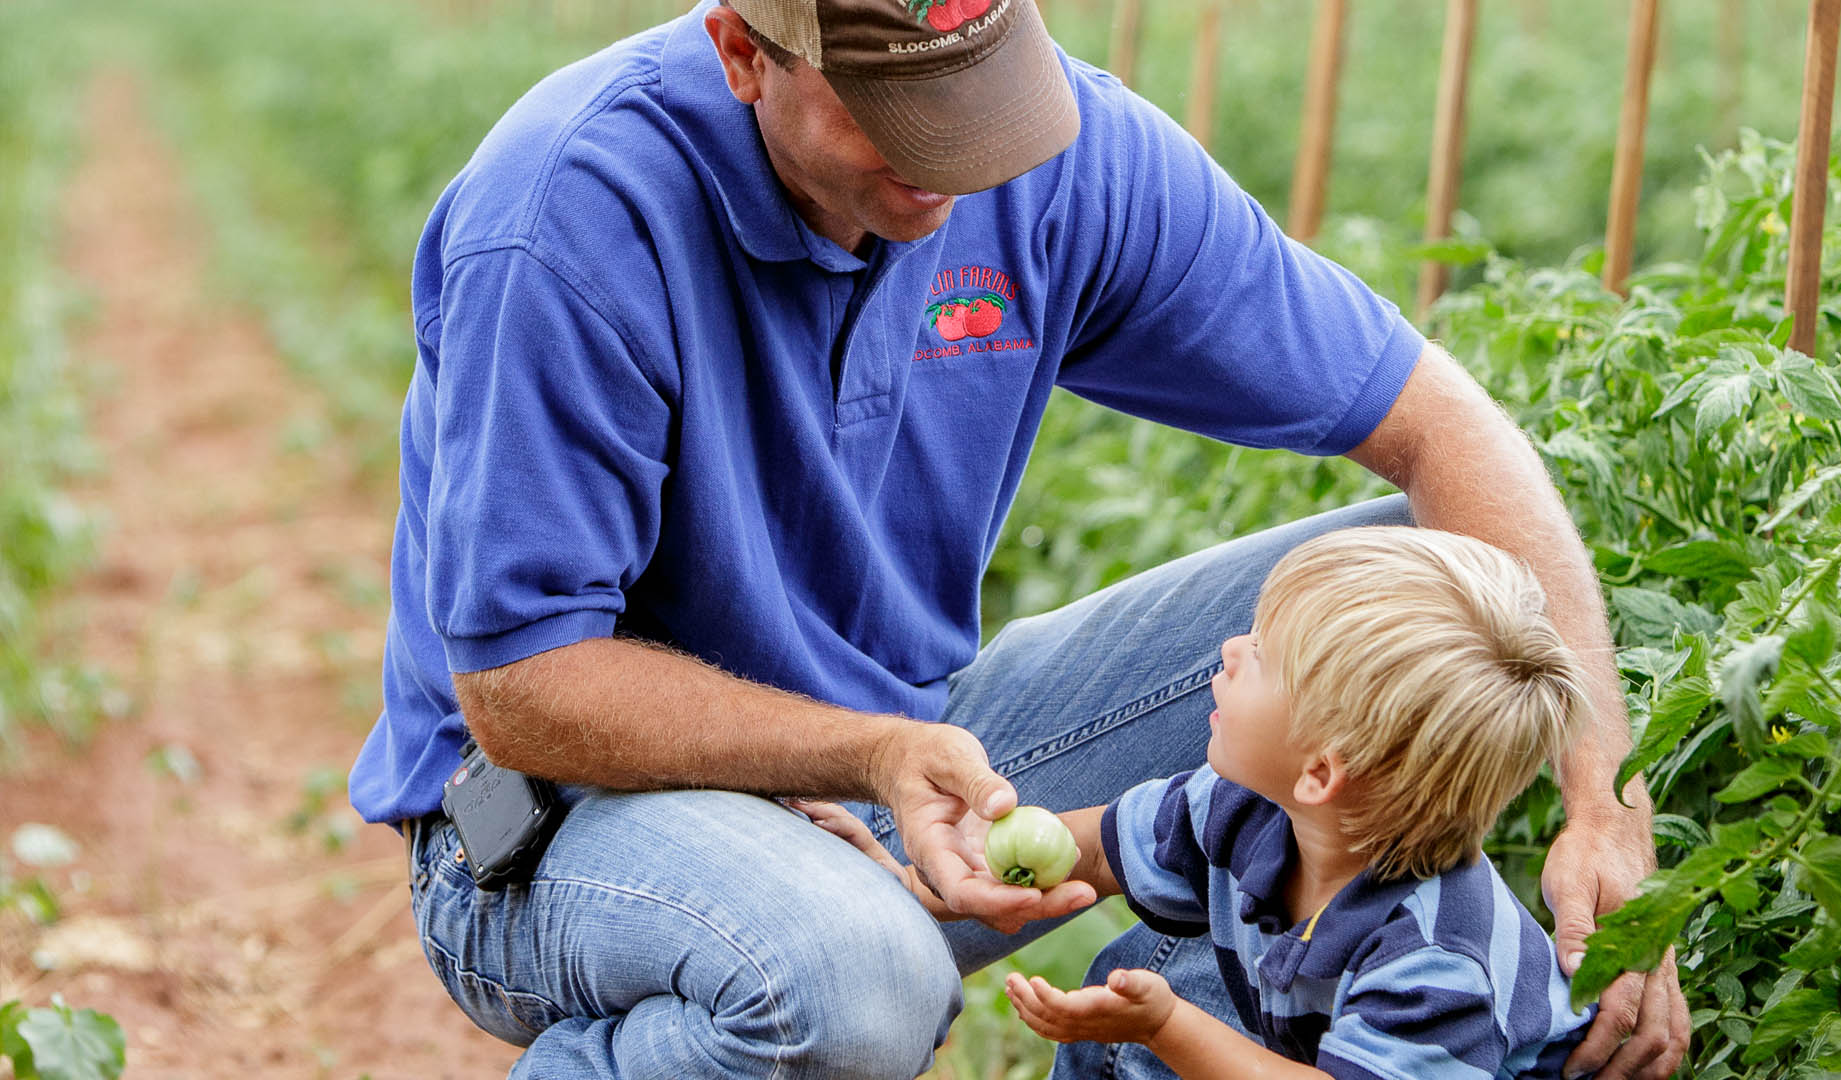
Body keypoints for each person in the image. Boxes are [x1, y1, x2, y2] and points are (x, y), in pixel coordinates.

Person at [344, 0, 1687, 1075]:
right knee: (858, 981)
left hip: (903, 757)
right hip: (554, 826)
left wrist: (1600, 811)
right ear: (744, 55)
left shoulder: (1062, 164)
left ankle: (1243, 1028)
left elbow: (1446, 432)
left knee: (1451, 614)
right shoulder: (575, 214)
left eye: (979, 101)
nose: (954, 160)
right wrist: (866, 747)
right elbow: (524, 692)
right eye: (898, 116)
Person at [804, 525, 1599, 1078]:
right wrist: (907, 882)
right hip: (1304, 1044)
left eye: (1261, 652)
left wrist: (1167, 1025)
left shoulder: (1437, 959)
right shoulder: (1236, 808)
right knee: (1127, 993)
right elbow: (1075, 853)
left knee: (1153, 1011)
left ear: (1321, 773)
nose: (1228, 649)